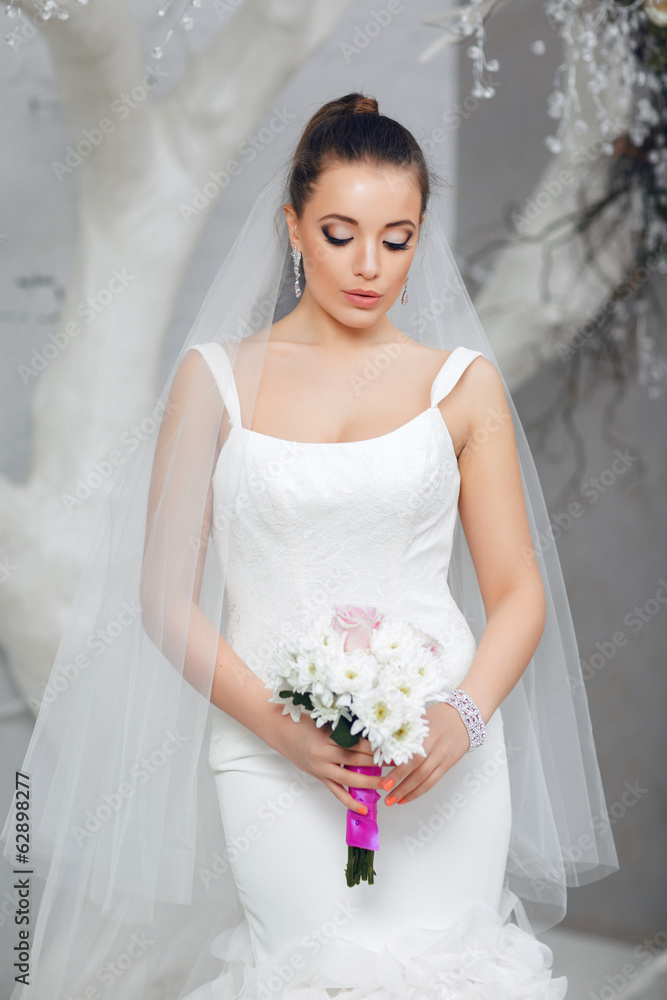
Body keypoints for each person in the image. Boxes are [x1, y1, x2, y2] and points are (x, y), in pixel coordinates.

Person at [2, 94, 618, 999]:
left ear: (419, 239)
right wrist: (283, 730)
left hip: (436, 752)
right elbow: (164, 599)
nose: (370, 266)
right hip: (265, 750)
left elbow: (517, 590)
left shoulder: (461, 386)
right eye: (339, 233)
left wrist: (461, 718)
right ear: (292, 225)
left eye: (397, 238)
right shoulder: (214, 380)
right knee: (307, 976)